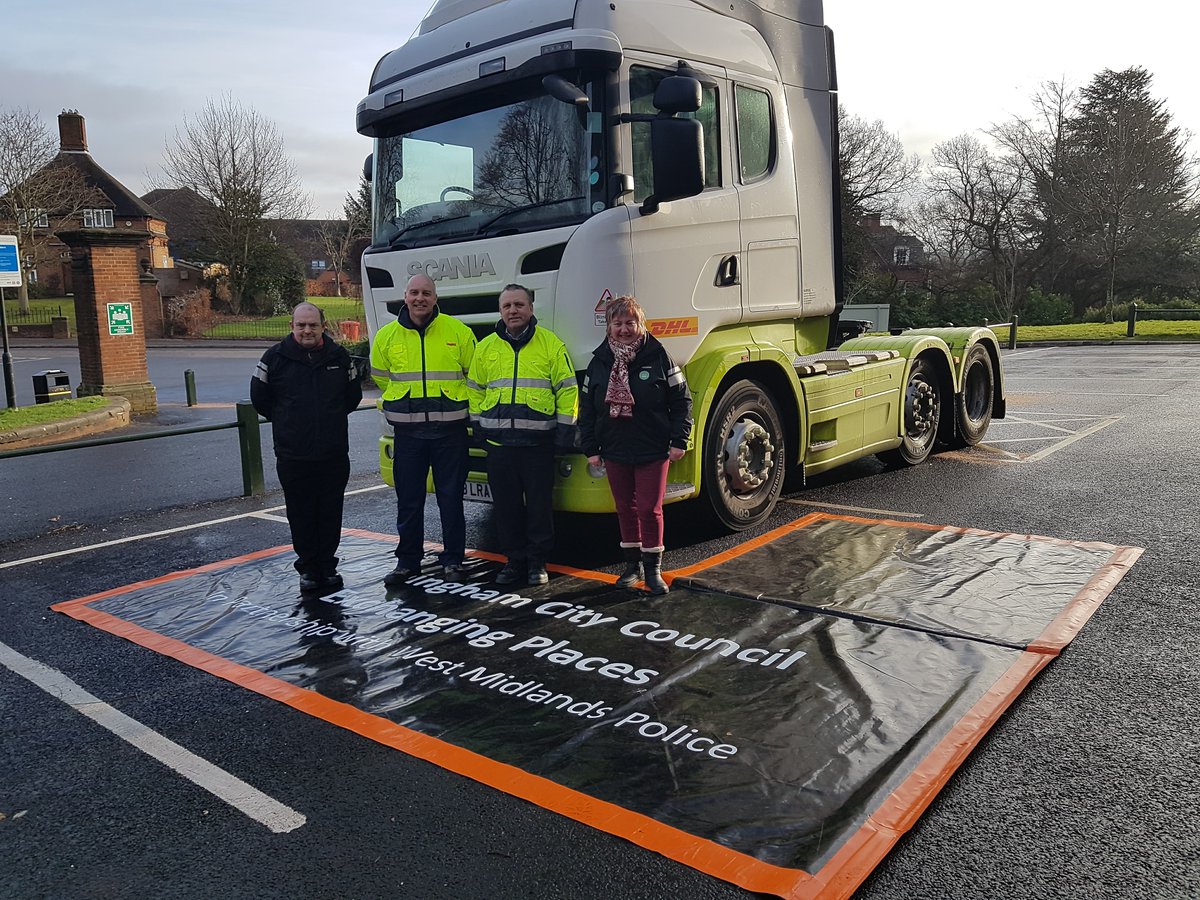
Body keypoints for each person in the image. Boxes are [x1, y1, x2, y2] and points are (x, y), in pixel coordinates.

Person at [578, 296, 692, 594]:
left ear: (642, 325)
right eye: (617, 323)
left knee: (649, 509)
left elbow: (682, 401)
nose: (624, 329)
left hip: (653, 448)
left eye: (630, 322)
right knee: (624, 508)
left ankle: (653, 570)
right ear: (608, 328)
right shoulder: (598, 363)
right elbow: (587, 409)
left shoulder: (660, 357)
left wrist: (679, 440)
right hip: (614, 448)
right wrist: (590, 448)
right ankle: (632, 567)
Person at [467, 284, 578, 586]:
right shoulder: (486, 347)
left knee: (540, 509)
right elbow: (474, 389)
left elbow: (568, 390)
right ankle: (514, 561)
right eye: (507, 306)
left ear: (530, 308)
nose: (513, 311)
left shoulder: (550, 344)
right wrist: (477, 426)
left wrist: (565, 432)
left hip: (538, 446)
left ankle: (537, 563)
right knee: (506, 509)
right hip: (499, 445)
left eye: (519, 305)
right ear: (500, 311)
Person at [371, 274, 476, 586]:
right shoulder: (386, 336)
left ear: (435, 298)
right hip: (408, 435)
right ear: (405, 297)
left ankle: (453, 560)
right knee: (409, 500)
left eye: (426, 293)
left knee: (451, 500)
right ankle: (407, 562)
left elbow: (474, 376)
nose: (420, 299)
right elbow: (382, 378)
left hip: (450, 433)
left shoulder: (458, 332)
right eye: (414, 293)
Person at [250, 302, 362, 594]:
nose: (307, 330)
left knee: (330, 512)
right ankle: (309, 569)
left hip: (333, 453)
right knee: (300, 513)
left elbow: (352, 397)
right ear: (292, 327)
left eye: (313, 325)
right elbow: (260, 399)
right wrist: (288, 422)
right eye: (301, 325)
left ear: (323, 326)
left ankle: (328, 566)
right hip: (293, 454)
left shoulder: (339, 357)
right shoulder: (274, 358)